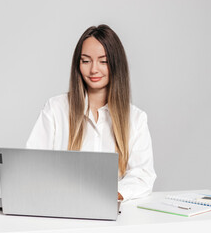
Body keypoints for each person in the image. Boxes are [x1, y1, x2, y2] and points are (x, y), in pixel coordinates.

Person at [26, 24, 156, 201]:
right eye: (86, 61)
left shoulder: (136, 119)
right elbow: (32, 164)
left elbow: (142, 176)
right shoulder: (56, 108)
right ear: (78, 64)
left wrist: (108, 196)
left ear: (116, 64)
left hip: (114, 216)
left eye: (103, 61)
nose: (94, 69)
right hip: (61, 209)